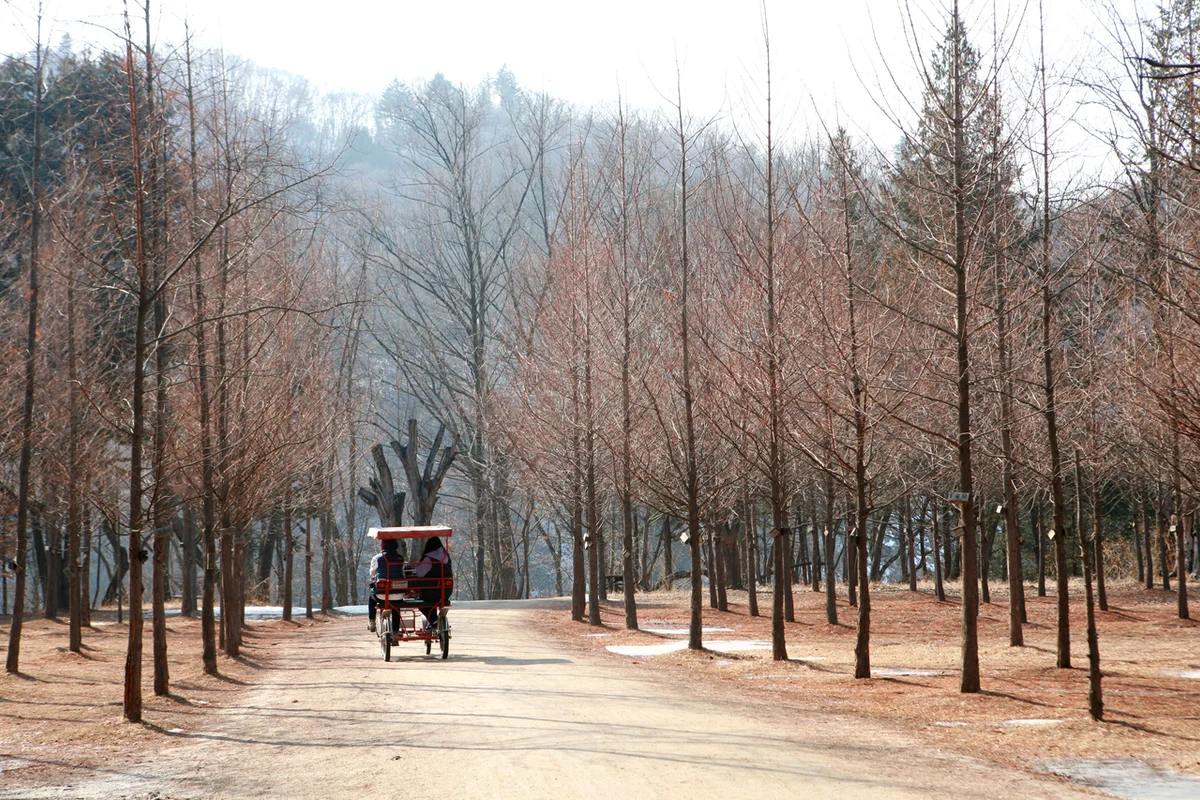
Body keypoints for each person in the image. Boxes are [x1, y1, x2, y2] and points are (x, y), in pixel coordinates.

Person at [412, 535, 452, 628]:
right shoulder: (446, 557)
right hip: (445, 592)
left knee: (420, 601)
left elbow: (419, 574)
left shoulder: (428, 559)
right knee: (432, 598)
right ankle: (435, 622)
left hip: (430, 593)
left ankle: (434, 621)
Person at [367, 537, 405, 633]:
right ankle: (395, 631)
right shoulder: (400, 558)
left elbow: (372, 572)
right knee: (396, 606)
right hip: (398, 594)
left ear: (382, 546)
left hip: (382, 595)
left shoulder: (377, 558)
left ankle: (372, 621)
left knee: (371, 598)